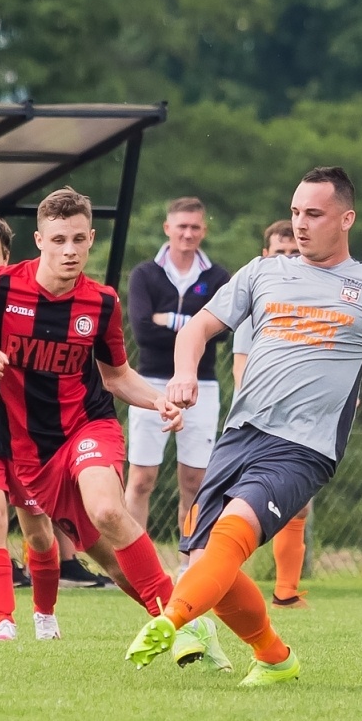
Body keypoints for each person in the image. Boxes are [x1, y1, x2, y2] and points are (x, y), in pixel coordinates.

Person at [128, 166, 362, 687]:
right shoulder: (263, 273)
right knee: (208, 562)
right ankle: (274, 657)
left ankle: (174, 619)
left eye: (313, 214)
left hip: (304, 447)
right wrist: (183, 375)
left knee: (234, 531)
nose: (300, 224)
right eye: (295, 212)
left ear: (346, 218)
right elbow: (198, 329)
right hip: (240, 433)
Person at [0, 187, 230, 667]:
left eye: (79, 240)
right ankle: (185, 621)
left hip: (88, 427)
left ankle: (179, 624)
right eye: (59, 240)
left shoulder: (101, 303)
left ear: (91, 239)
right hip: (33, 454)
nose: (69, 251)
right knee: (109, 559)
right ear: (39, 240)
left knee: (108, 510)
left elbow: (117, 376)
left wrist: (159, 400)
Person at [0, 211, 134, 640]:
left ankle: (44, 612)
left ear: (8, 258)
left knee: (39, 532)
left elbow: (33, 370)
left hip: (25, 430)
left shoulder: (14, 297)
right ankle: (4, 621)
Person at [124, 198, 231, 536]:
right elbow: (142, 331)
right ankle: (133, 563)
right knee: (141, 478)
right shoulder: (145, 274)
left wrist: (167, 320)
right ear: (167, 228)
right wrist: (195, 328)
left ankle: (190, 563)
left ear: (204, 230)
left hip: (202, 385)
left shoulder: (217, 277)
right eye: (181, 226)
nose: (187, 233)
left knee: (195, 480)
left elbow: (223, 332)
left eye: (195, 227)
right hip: (149, 382)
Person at [231, 220, 313, 608]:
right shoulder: (259, 298)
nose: (287, 259)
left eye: (293, 252)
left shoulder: (317, 301)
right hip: (260, 417)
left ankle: (286, 591)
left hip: (306, 418)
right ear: (265, 256)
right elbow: (240, 367)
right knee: (239, 500)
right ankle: (219, 573)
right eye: (279, 253)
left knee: (299, 502)